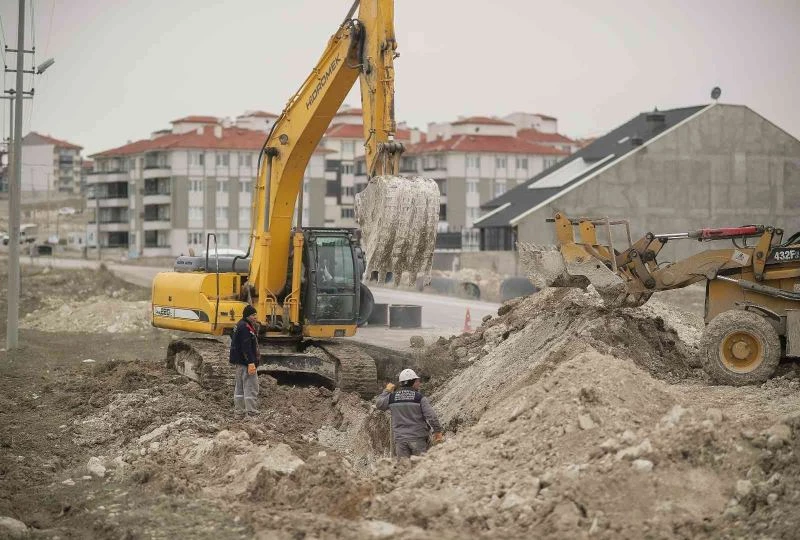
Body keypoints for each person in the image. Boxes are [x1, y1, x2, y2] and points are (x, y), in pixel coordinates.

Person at [376, 368, 444, 458]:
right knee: (420, 468)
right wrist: (437, 432)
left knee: (404, 469)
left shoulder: (392, 397)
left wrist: (387, 391)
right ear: (411, 382)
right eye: (417, 381)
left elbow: (379, 404)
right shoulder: (419, 398)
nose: (419, 383)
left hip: (401, 441)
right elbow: (431, 416)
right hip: (418, 439)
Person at [229, 304, 260, 416]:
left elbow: (233, 338)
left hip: (239, 362)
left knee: (240, 388)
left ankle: (239, 411)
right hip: (246, 363)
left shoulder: (239, 325)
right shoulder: (245, 328)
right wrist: (250, 362)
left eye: (256, 314)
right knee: (251, 387)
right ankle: (251, 411)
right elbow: (246, 347)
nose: (255, 317)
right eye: (253, 315)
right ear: (247, 316)